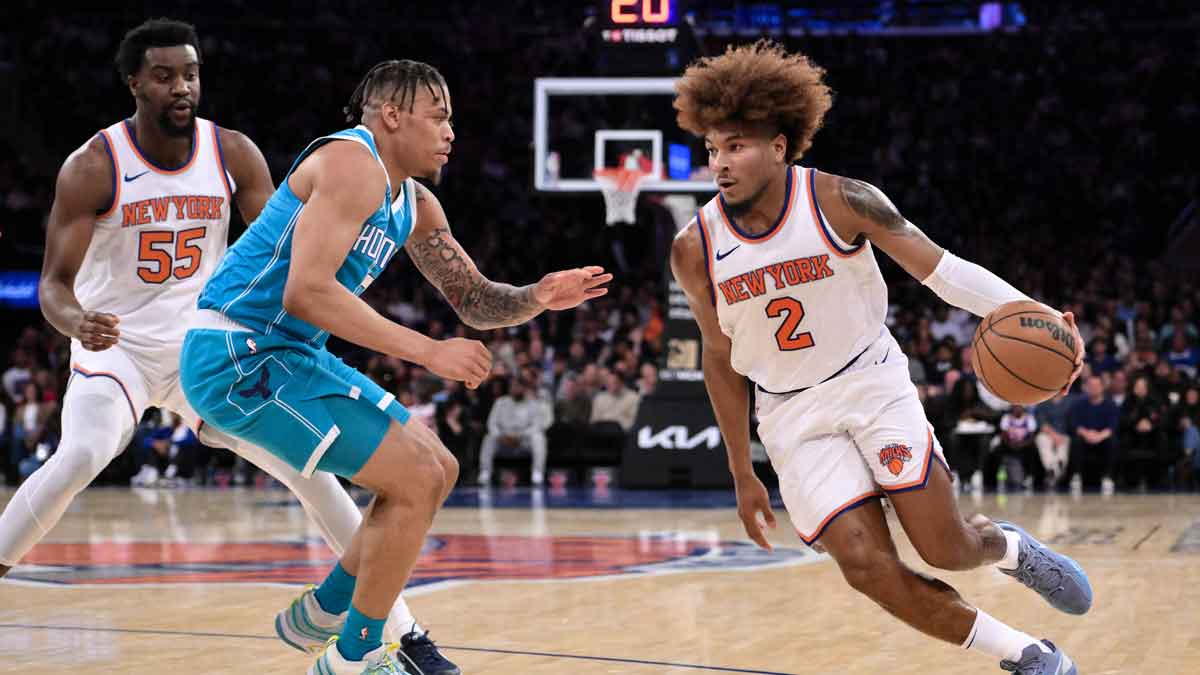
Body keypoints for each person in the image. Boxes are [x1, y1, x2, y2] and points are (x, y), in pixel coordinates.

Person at [0, 20, 460, 673]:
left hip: (207, 348)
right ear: (134, 82)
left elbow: (282, 249)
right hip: (119, 347)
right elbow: (51, 285)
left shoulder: (233, 152)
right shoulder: (94, 164)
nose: (182, 86)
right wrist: (75, 321)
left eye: (190, 73)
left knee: (315, 474)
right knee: (79, 456)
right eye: (164, 75)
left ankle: (400, 631)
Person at [669, 41, 1088, 674]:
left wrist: (1040, 316)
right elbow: (720, 358)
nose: (721, 163)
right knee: (866, 568)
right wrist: (740, 469)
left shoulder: (843, 200)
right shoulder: (694, 247)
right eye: (713, 149)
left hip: (871, 383)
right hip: (789, 415)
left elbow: (942, 272)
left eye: (737, 146)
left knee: (946, 548)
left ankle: (1008, 547)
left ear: (780, 146)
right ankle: (1028, 655)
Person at [179, 59, 609, 674]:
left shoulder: (414, 202)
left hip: (288, 353)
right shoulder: (352, 163)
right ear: (392, 115)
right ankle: (353, 659)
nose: (451, 131)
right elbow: (307, 292)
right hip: (237, 352)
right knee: (410, 478)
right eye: (439, 116)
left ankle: (323, 612)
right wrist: (431, 352)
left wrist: (538, 295)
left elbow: (475, 299)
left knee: (438, 469)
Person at [476, 377, 552, 486]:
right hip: (503, 441)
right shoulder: (500, 402)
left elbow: (536, 426)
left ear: (524, 388)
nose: (515, 389)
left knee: (539, 438)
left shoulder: (533, 404)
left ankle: (537, 474)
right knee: (489, 438)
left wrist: (520, 436)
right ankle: (485, 473)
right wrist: (500, 436)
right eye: (513, 386)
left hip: (523, 441)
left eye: (519, 386)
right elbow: (491, 424)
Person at [1066, 375, 1121, 494]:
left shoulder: (1110, 405)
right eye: (1090, 386)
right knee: (1076, 441)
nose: (1093, 388)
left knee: (1113, 442)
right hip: (1085, 437)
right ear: (1086, 388)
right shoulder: (1079, 404)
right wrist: (1087, 434)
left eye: (1096, 386)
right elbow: (1075, 425)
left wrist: (1099, 436)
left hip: (1102, 437)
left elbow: (1112, 427)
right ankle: (1077, 476)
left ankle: (1107, 477)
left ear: (1102, 387)